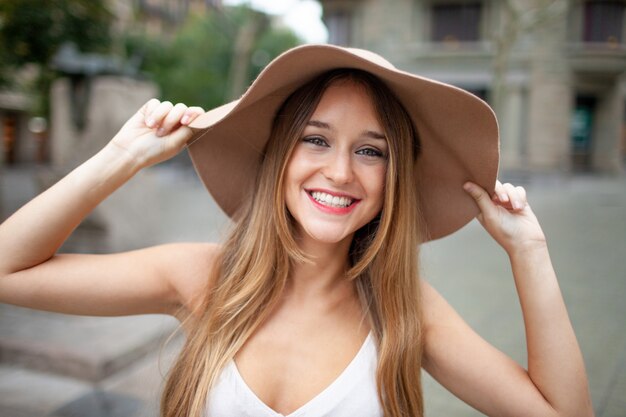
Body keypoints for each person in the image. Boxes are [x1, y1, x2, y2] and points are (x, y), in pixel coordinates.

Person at [0, 44, 592, 417]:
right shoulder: (202, 278)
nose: (339, 171)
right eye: (315, 139)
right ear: (280, 154)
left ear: (395, 180)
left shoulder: (406, 310)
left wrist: (529, 252)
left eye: (371, 151)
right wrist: (122, 158)